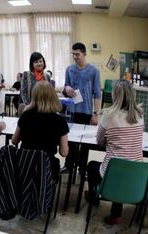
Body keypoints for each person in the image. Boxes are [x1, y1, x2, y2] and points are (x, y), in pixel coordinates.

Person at [86, 80, 144, 225]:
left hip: (112, 174)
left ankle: (95, 198)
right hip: (137, 176)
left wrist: (110, 141)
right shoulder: (140, 114)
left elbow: (99, 141)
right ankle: (115, 214)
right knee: (122, 167)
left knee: (92, 166)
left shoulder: (109, 115)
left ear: (115, 95)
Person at [12, 81, 69, 179]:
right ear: (53, 96)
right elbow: (64, 153)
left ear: (34, 97)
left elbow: (14, 140)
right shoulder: (60, 121)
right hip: (46, 167)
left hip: (24, 165)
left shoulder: (25, 116)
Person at [62, 42, 101, 173]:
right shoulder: (69, 69)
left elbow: (97, 94)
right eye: (73, 54)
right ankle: (69, 166)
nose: (75, 57)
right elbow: (65, 87)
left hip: (86, 112)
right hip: (71, 111)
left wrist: (96, 114)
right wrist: (66, 88)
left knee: (85, 143)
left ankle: (82, 168)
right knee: (71, 140)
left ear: (84, 54)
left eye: (77, 54)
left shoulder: (94, 71)